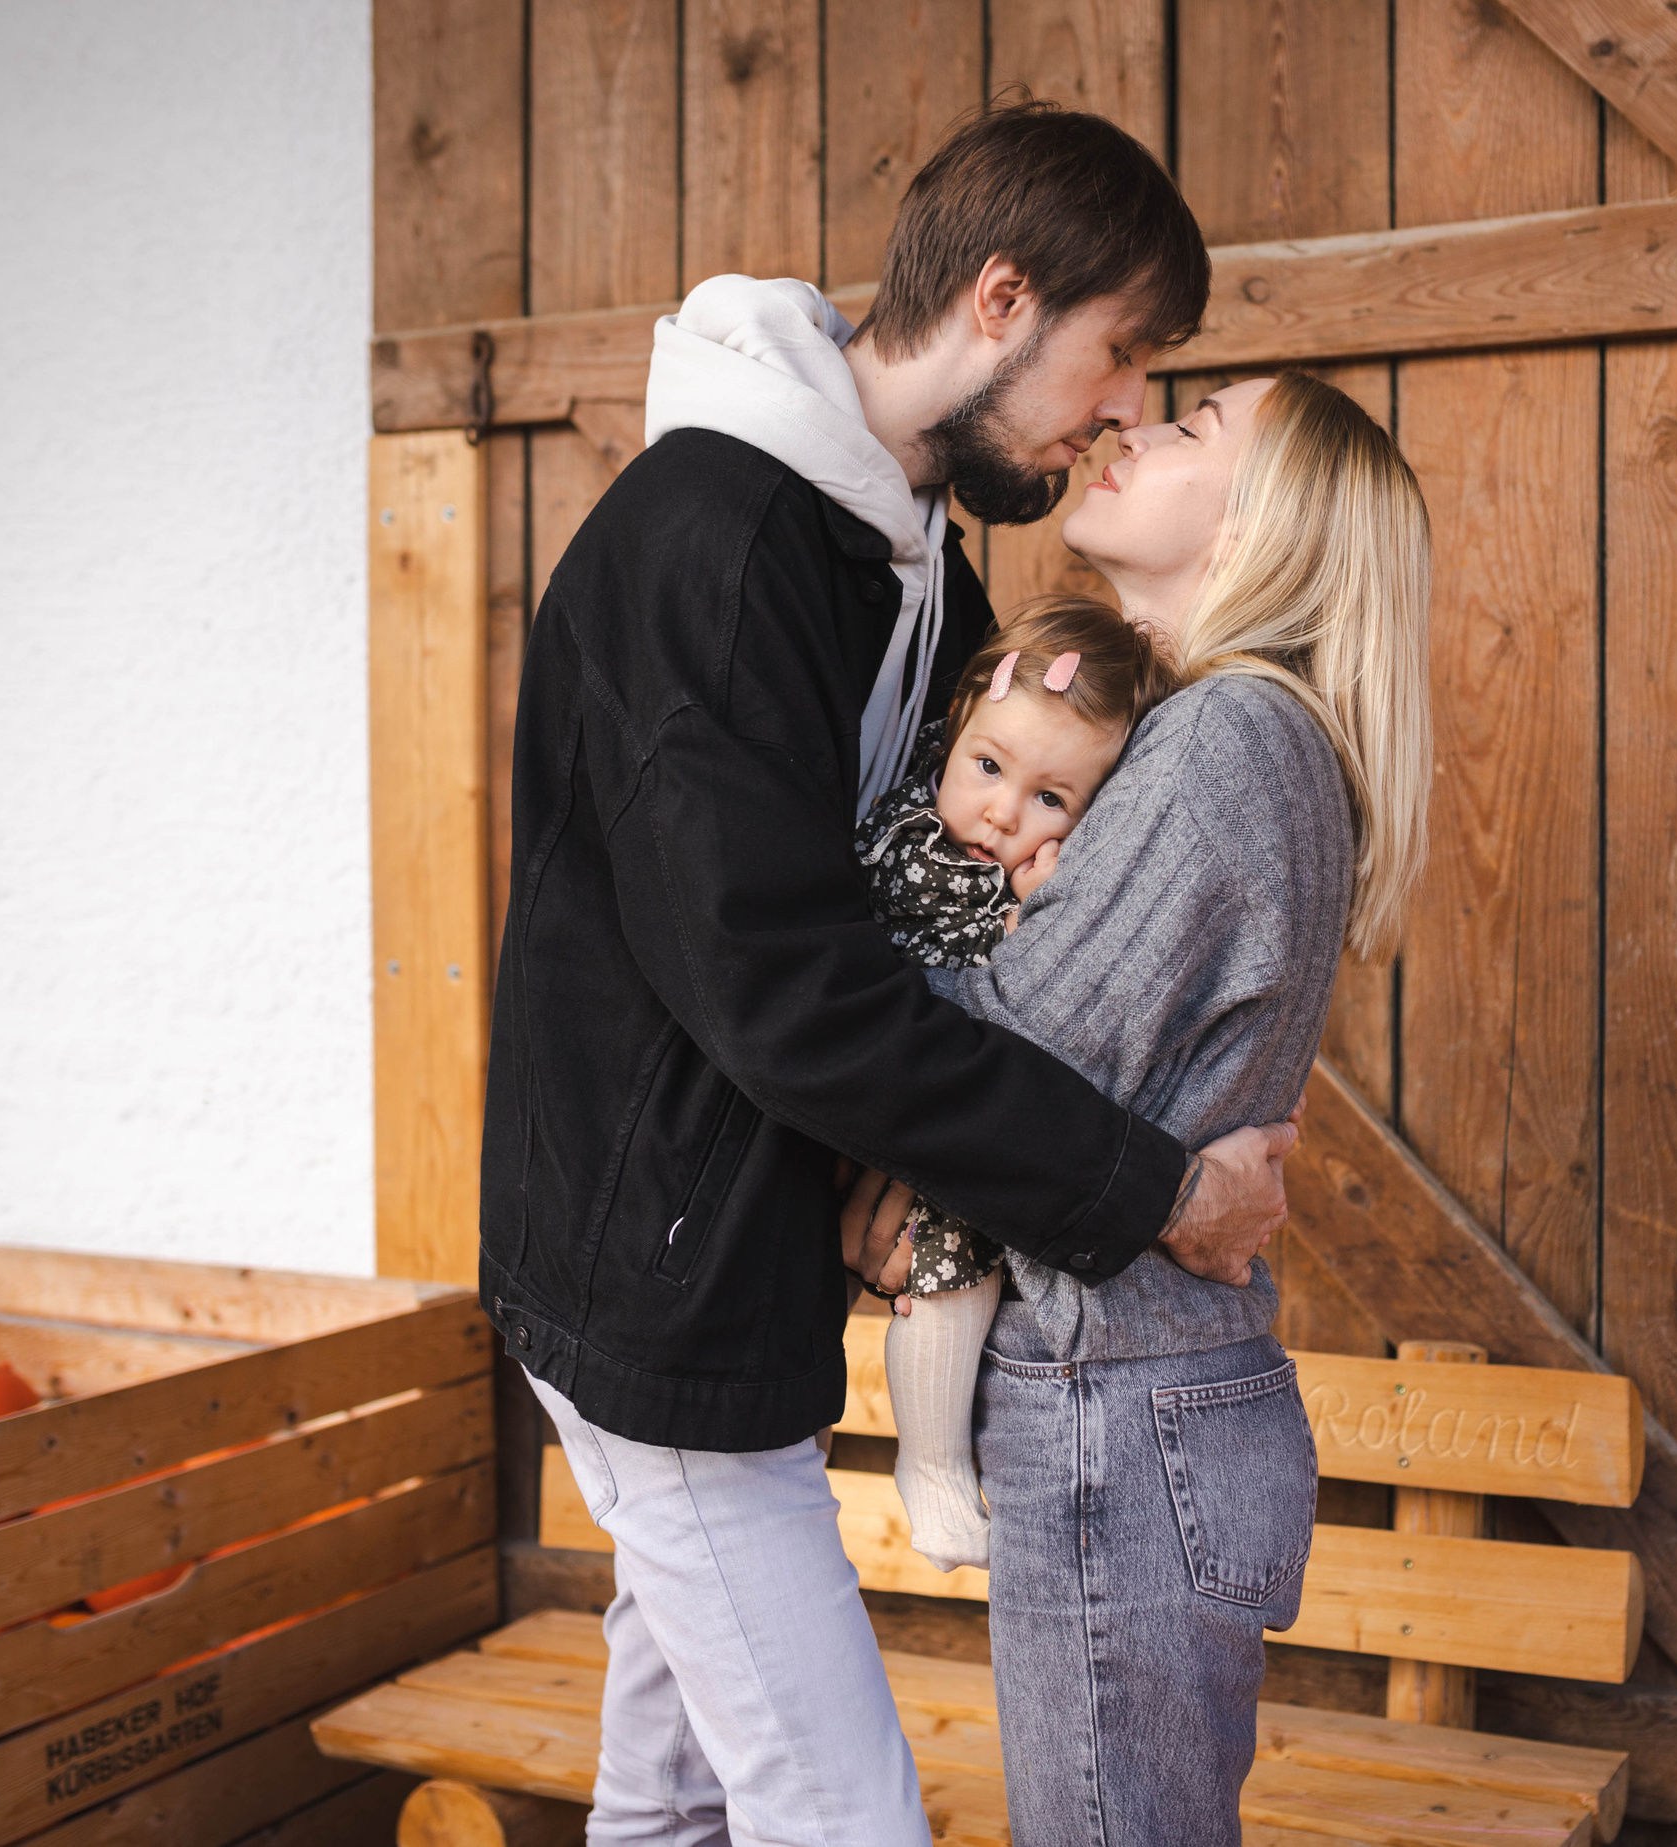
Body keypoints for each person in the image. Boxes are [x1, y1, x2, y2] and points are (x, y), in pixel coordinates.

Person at [484, 104, 1301, 1847]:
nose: (1126, 408)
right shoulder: (720, 547)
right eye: (1123, 353)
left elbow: (870, 918)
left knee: (675, 1788)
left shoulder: (896, 548)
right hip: (656, 1295)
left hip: (726, 1271)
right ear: (1002, 300)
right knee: (842, 1810)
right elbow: (783, 989)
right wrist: (1149, 1188)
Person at [845, 372, 1434, 1846]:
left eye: (1193, 429)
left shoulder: (1226, 739)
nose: (1135, 428)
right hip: (1146, 1393)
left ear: (1262, 524)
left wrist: (812, 959)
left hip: (1119, 1398)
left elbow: (1010, 1048)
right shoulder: (1201, 738)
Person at [852, 595, 1180, 1569]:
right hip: (858, 1081)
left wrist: (1043, 919)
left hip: (942, 1121)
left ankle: (934, 1462)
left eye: (1051, 799)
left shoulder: (1045, 883)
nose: (1001, 811)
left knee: (958, 1259)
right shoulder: (893, 819)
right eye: (988, 766)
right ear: (957, 724)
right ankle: (904, 1458)